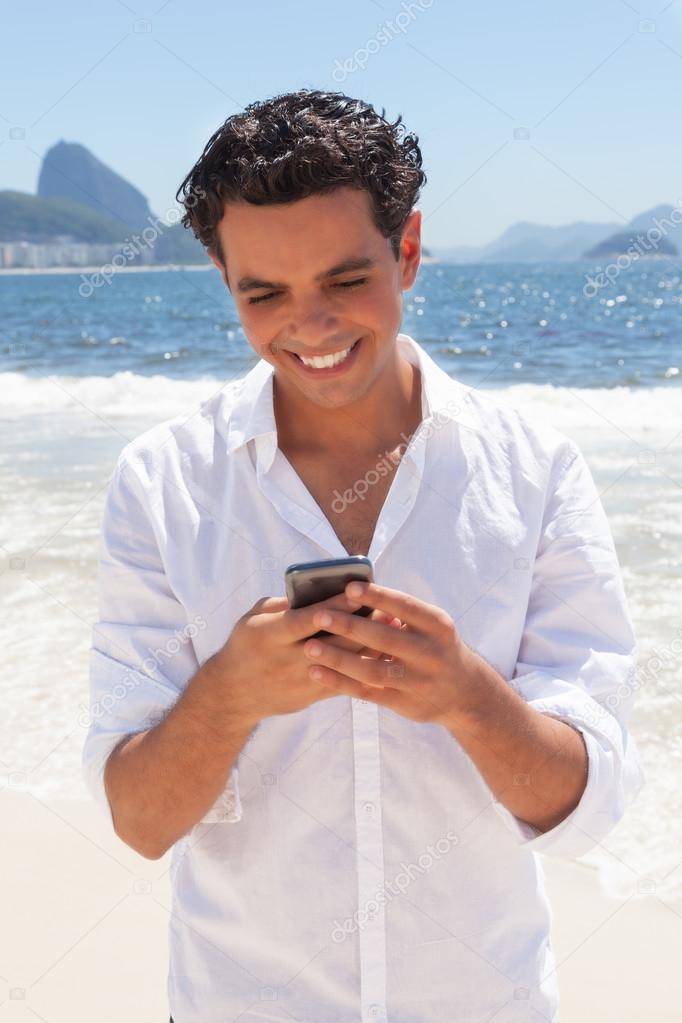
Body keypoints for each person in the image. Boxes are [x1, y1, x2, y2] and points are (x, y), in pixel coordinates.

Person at [82, 89, 644, 1023]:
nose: (311, 326)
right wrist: (231, 693)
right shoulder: (162, 484)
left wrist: (467, 695)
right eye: (263, 293)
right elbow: (140, 823)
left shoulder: (536, 471)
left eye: (346, 280)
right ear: (224, 279)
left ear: (409, 251)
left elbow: (588, 806)